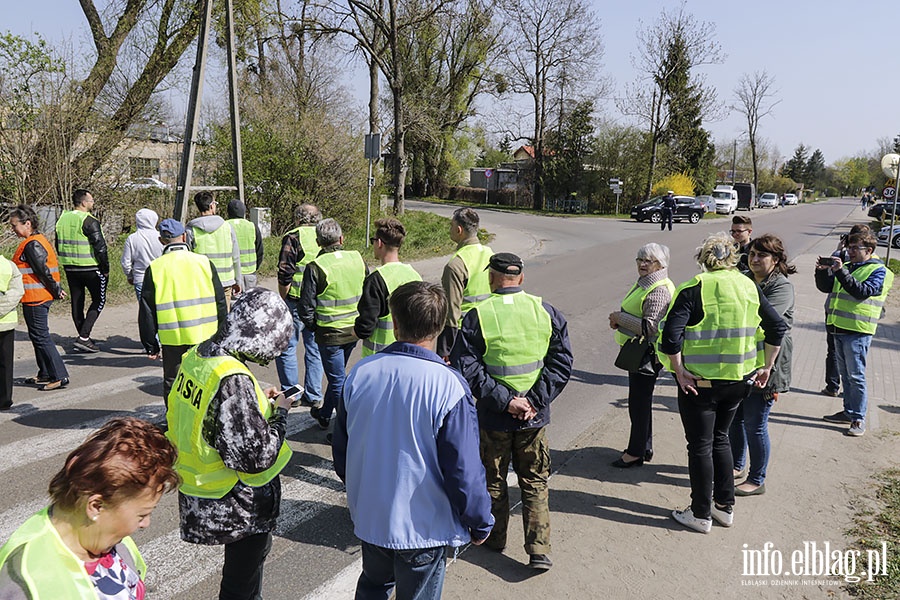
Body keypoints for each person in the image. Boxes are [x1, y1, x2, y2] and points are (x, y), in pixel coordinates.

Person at [333, 281, 494, 600]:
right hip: (423, 528)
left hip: (372, 519)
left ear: (394, 323)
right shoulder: (448, 387)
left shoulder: (360, 373)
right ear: (440, 326)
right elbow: (463, 470)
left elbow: (342, 452)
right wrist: (479, 521)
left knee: (373, 587)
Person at [166, 288, 294, 600]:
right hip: (235, 502)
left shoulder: (200, 355)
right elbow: (254, 456)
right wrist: (281, 415)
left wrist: (254, 404)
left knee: (241, 581)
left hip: (202, 488)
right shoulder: (232, 379)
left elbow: (213, 416)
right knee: (241, 586)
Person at [451, 252, 573, 570]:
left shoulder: (478, 315)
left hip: (494, 417)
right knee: (534, 480)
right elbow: (561, 363)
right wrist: (533, 401)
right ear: (520, 278)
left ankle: (494, 538)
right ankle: (539, 550)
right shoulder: (546, 311)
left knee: (493, 479)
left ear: (492, 277)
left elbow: (468, 367)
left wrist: (506, 401)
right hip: (534, 418)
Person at [659, 232, 786, 533]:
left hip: (699, 384)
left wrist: (679, 371)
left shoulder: (695, 287)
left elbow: (670, 337)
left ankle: (700, 513)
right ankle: (724, 508)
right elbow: (777, 327)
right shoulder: (749, 286)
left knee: (700, 445)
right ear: (734, 257)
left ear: (703, 258)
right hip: (738, 383)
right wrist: (766, 367)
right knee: (721, 439)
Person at [0, 416, 178, 598]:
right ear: (96, 506)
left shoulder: (108, 537)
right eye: (142, 515)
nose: (145, 523)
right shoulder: (25, 580)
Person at [730, 234, 796, 496]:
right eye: (752, 254)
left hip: (769, 362)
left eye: (761, 255)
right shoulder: (745, 276)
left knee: (755, 422)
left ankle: (757, 479)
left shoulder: (782, 286)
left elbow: (765, 319)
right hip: (743, 359)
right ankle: (736, 465)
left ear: (776, 260)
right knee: (735, 418)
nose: (754, 259)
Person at [139, 219, 227, 401]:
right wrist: (224, 334)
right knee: (205, 379)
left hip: (173, 337)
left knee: (173, 381)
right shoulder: (204, 262)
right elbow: (220, 302)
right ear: (185, 237)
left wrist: (150, 344)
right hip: (205, 334)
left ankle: (174, 424)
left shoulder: (155, 268)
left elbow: (147, 311)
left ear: (161, 240)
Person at [817, 232, 894, 437]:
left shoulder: (879, 271)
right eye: (849, 247)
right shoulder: (849, 267)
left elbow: (862, 291)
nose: (849, 252)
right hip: (838, 327)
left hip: (858, 331)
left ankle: (858, 418)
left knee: (856, 376)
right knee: (846, 376)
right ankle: (848, 411)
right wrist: (822, 272)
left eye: (854, 248)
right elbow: (826, 288)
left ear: (869, 250)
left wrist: (841, 272)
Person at [608, 243, 674, 468]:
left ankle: (635, 452)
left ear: (660, 264)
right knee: (641, 402)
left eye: (649, 261)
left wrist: (619, 318)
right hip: (639, 351)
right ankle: (644, 447)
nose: (643, 264)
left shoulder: (658, 289)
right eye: (639, 260)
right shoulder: (646, 283)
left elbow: (650, 328)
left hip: (646, 355)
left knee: (638, 403)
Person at [298, 218, 367, 431]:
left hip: (330, 334)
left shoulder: (316, 266)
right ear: (341, 238)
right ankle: (325, 414)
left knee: (337, 380)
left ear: (319, 242)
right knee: (336, 376)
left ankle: (347, 426)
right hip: (353, 330)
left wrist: (313, 327)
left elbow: (306, 307)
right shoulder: (357, 258)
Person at [9, 205, 70, 391]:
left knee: (41, 337)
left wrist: (55, 290)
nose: (12, 229)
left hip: (37, 297)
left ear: (27, 224)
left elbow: (42, 271)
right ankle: (45, 372)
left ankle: (60, 375)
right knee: (36, 336)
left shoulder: (32, 244)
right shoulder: (35, 240)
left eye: (14, 225)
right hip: (34, 296)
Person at [275, 204, 324, 407]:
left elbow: (285, 271)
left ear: (297, 218)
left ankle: (291, 394)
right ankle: (314, 395)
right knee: (314, 348)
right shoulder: (325, 235)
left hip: (295, 300)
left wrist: (284, 297)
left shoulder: (293, 237)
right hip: (318, 302)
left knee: (287, 347)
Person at [354, 217, 422, 357]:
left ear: (379, 243)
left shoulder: (376, 279)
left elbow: (365, 326)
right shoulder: (415, 275)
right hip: (409, 355)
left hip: (380, 356)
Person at [821, 224, 873, 397]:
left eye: (856, 246)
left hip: (852, 321)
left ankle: (836, 388)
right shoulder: (846, 256)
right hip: (837, 315)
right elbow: (826, 284)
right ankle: (841, 391)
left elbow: (862, 291)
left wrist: (838, 251)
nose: (852, 250)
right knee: (843, 359)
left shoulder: (870, 265)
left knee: (847, 364)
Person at [55, 188, 109, 353]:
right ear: (84, 202)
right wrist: (105, 268)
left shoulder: (62, 219)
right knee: (99, 300)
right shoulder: (89, 220)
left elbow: (58, 243)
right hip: (90, 267)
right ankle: (84, 337)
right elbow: (100, 247)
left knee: (77, 302)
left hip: (70, 267)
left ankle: (83, 335)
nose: (92, 203)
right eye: (91, 201)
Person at [437, 207, 494, 359]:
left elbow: (452, 311)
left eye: (451, 226)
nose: (450, 229)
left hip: (464, 334)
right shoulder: (491, 255)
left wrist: (445, 349)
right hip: (490, 327)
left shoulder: (456, 264)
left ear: (459, 230)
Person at [187, 191, 242, 306]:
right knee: (224, 318)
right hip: (226, 281)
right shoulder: (227, 227)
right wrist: (238, 281)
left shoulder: (191, 230)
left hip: (202, 282)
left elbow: (187, 258)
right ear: (212, 206)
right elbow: (235, 257)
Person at [121, 208, 164, 301]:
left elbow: (126, 261)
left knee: (145, 311)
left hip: (140, 278)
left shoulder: (132, 238)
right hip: (160, 278)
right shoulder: (161, 237)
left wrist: (130, 275)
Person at [0, 254, 24, 410]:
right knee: (5, 364)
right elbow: (17, 292)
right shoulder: (9, 265)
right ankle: (4, 400)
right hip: (6, 322)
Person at [226, 199, 264, 289]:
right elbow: (260, 251)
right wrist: (254, 267)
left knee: (233, 302)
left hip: (231, 273)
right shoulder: (252, 226)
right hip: (249, 272)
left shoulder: (224, 226)